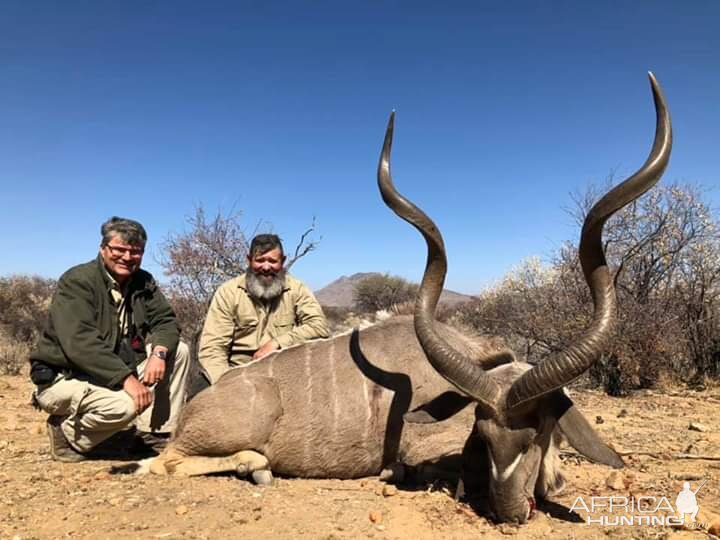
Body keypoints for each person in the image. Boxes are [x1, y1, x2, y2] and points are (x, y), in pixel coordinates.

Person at [29, 217, 190, 462]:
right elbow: (80, 343)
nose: (127, 257)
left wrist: (158, 353)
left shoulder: (143, 281)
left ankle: (152, 434)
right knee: (126, 406)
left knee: (178, 351)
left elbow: (166, 321)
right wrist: (127, 380)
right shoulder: (77, 281)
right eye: (119, 249)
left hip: (114, 370)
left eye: (135, 252)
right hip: (66, 376)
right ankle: (66, 434)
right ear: (103, 248)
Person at [198, 233, 329, 385]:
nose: (266, 267)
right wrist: (227, 384)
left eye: (273, 261)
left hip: (286, 371)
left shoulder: (297, 289)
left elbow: (319, 326)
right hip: (237, 373)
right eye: (260, 260)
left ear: (283, 261)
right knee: (199, 397)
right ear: (249, 260)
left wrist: (277, 343)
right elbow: (213, 349)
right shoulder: (228, 292)